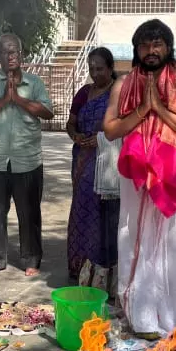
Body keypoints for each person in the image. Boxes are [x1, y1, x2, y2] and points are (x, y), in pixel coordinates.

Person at [103, 19, 176, 338]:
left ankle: (173, 314)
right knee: (134, 237)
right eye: (144, 45)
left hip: (169, 170)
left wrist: (158, 108)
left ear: (168, 48)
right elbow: (110, 129)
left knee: (171, 242)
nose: (151, 50)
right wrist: (142, 110)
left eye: (157, 44)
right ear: (136, 49)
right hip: (135, 175)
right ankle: (141, 314)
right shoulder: (122, 85)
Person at [0, 33, 54, 275]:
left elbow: (47, 112)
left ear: (22, 54)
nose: (11, 56)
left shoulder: (34, 83)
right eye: (5, 52)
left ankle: (31, 260)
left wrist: (16, 98)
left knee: (29, 212)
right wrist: (3, 99)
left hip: (27, 159)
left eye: (14, 51)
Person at [65, 47, 120, 289]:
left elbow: (123, 125)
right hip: (83, 159)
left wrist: (100, 137)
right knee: (82, 209)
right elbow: (71, 123)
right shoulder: (84, 93)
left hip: (109, 160)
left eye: (100, 69)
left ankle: (106, 271)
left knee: (107, 215)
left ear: (110, 68)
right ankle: (81, 267)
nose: (95, 73)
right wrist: (75, 136)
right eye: (91, 69)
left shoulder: (118, 92)